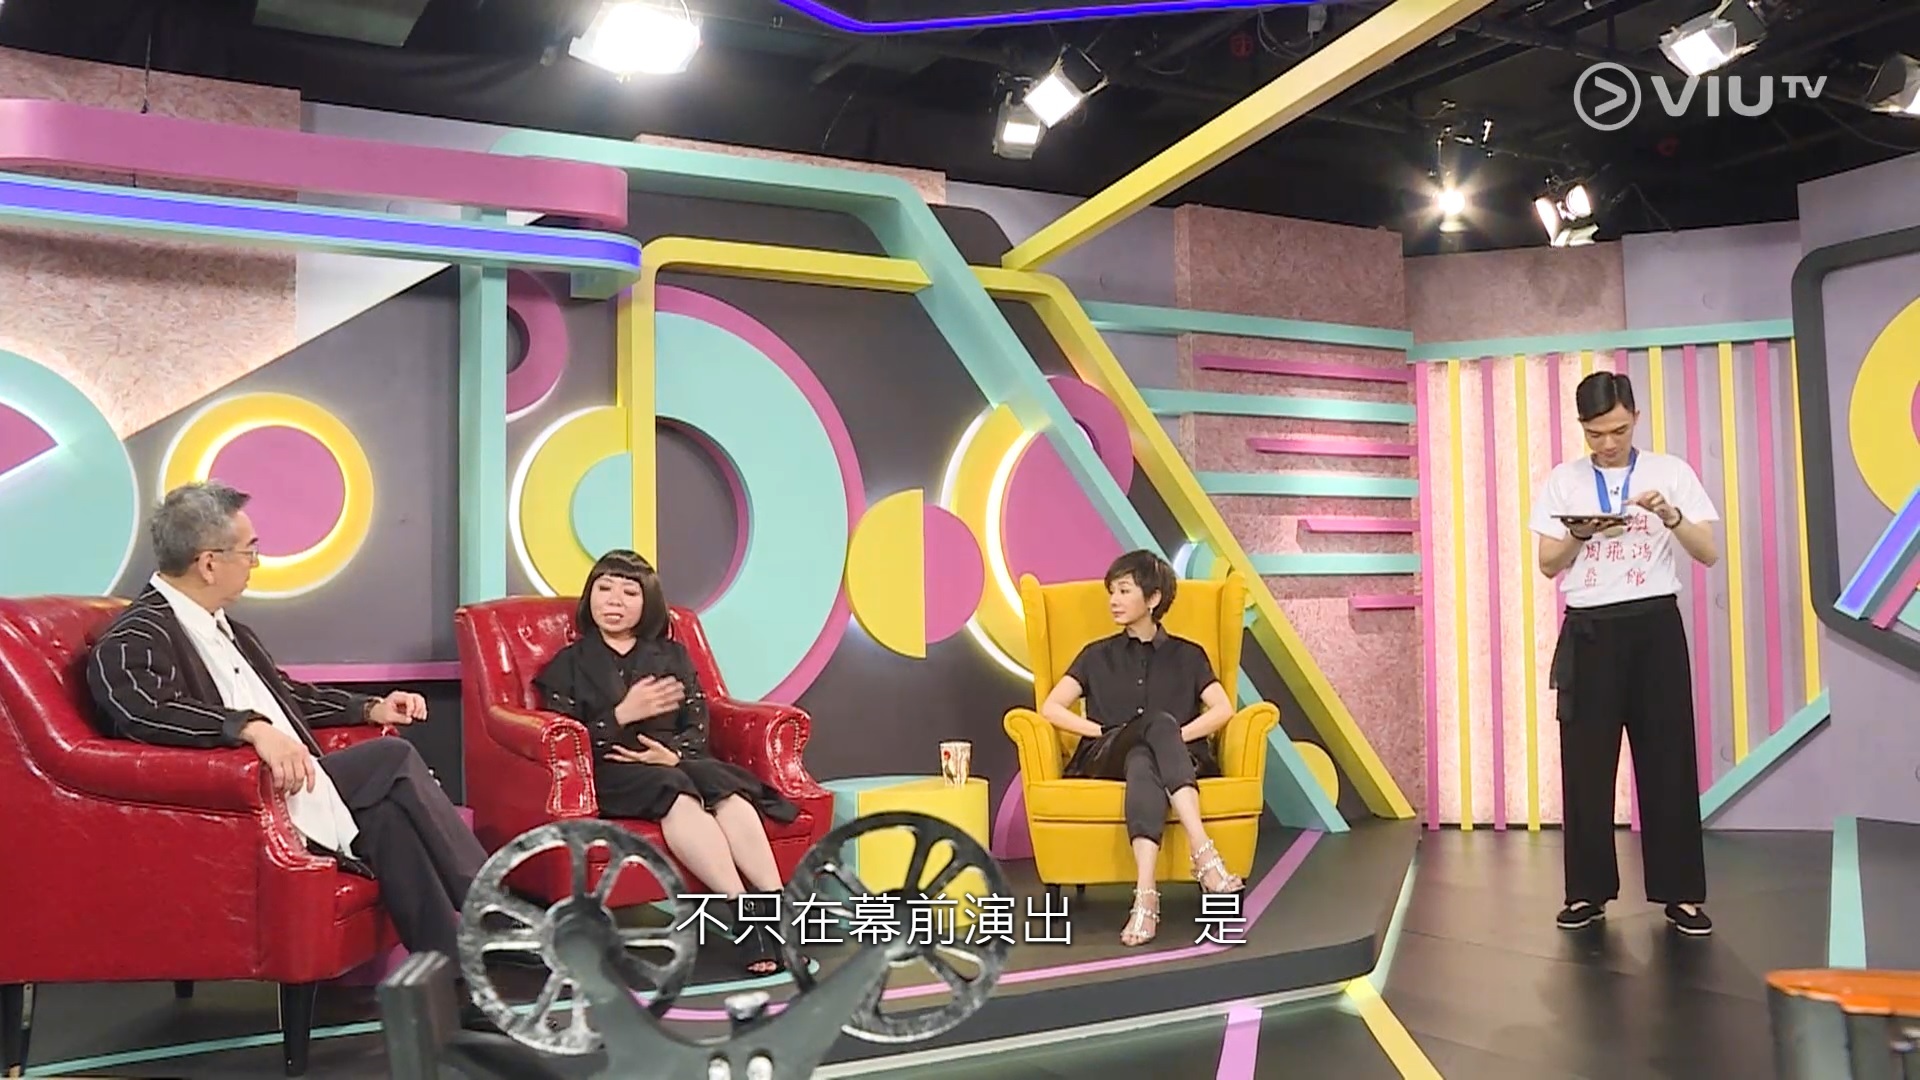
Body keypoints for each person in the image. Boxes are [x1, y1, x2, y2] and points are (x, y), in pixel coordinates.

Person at [85, 481, 500, 1028]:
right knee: (391, 760)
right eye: (249, 551)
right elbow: (141, 711)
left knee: (390, 820)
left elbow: (287, 695)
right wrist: (246, 728)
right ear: (208, 563)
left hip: (301, 787)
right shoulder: (134, 637)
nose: (254, 564)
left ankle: (459, 989)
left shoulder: (228, 629)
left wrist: (369, 706)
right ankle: (495, 904)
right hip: (248, 807)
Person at [532, 549, 802, 976]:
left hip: (676, 757)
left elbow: (698, 724)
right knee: (674, 789)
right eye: (604, 589)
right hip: (613, 767)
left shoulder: (672, 656)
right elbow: (568, 742)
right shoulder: (567, 665)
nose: (614, 601)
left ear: (648, 603)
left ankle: (777, 910)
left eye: (629, 592)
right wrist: (622, 714)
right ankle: (742, 914)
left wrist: (673, 754)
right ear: (589, 597)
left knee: (724, 789)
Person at [1530, 372, 1721, 937]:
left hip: (1655, 626)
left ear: (1635, 416)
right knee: (1585, 765)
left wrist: (1670, 515)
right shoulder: (1564, 480)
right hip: (1590, 631)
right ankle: (1586, 893)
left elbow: (1708, 552)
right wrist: (1581, 533)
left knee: (1668, 758)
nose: (1607, 443)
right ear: (1582, 428)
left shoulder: (1671, 471)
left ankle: (1681, 894)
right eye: (1595, 434)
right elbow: (1547, 564)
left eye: (1617, 430)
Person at [1037, 549, 1243, 947]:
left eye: (1124, 590)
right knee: (1154, 727)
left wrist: (1172, 739)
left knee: (1145, 755)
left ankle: (1145, 894)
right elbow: (1051, 707)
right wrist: (1098, 730)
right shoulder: (1096, 655)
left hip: (1164, 759)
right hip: (1107, 755)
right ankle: (1203, 853)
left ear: (1153, 598)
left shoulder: (1188, 655)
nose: (1113, 600)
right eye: (1111, 592)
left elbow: (1223, 709)